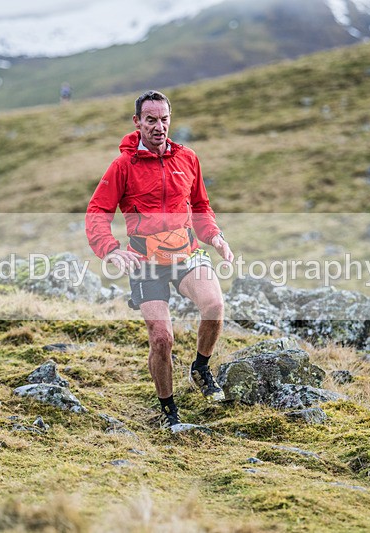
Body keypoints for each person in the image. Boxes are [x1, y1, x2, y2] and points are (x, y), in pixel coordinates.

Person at [86, 90, 234, 429]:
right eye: (150, 120)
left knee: (214, 305)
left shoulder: (187, 158)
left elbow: (200, 206)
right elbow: (97, 211)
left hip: (186, 251)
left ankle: (201, 368)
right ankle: (168, 409)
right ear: (137, 122)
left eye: (164, 119)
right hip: (145, 261)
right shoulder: (123, 166)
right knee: (161, 338)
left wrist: (215, 237)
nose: (159, 126)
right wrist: (110, 249)